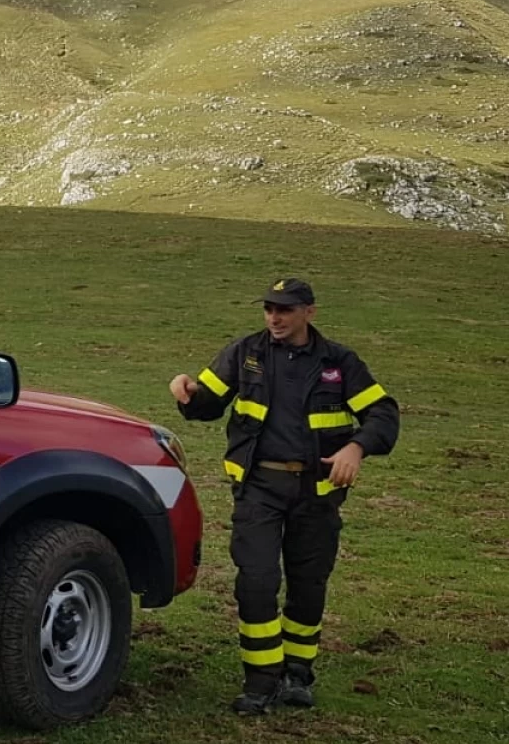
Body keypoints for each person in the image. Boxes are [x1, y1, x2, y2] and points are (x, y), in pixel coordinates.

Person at [168, 277, 399, 714]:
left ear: (309, 312)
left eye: (285, 310)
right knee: (256, 582)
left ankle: (298, 674)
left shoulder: (339, 362)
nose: (274, 317)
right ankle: (260, 682)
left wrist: (357, 446)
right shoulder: (245, 352)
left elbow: (383, 413)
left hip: (318, 493)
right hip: (259, 488)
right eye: (269, 309)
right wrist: (187, 393)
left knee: (308, 586)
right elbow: (207, 403)